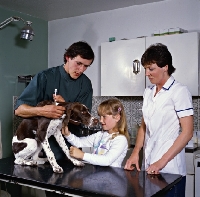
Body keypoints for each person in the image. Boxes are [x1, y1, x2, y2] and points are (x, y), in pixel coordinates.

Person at [14, 41, 94, 197]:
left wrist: (66, 108)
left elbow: (84, 119)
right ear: (67, 57)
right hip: (46, 153)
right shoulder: (45, 77)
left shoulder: (85, 84)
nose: (81, 70)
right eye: (78, 64)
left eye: (86, 66)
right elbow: (19, 110)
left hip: (72, 150)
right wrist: (43, 110)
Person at [124, 43, 193, 196]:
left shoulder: (179, 91)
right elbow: (144, 125)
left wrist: (161, 162)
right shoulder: (148, 92)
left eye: (151, 68)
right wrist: (135, 153)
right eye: (145, 69)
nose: (146, 73)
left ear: (165, 67)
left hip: (170, 169)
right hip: (149, 166)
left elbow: (187, 132)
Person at [62, 98, 130, 168]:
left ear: (117, 118)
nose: (100, 120)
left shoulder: (120, 139)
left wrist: (82, 155)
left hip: (111, 178)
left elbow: (107, 160)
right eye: (100, 116)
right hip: (97, 176)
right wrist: (68, 135)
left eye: (104, 117)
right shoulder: (100, 135)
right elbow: (80, 143)